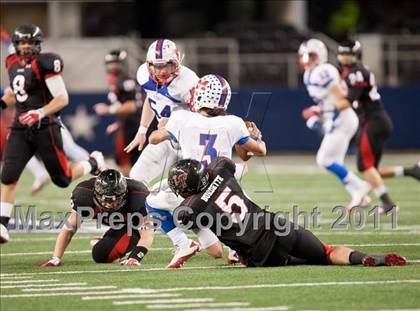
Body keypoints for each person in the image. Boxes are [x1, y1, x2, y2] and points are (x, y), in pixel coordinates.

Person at [169, 157, 407, 267]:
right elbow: (226, 164)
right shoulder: (222, 170)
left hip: (258, 254)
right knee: (326, 253)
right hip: (278, 228)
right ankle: (365, 257)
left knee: (302, 261)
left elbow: (211, 247)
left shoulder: (190, 209)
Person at [0, 24, 105, 244]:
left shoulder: (45, 63)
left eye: (30, 42)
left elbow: (62, 98)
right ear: (16, 45)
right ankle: (2, 225)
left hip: (45, 126)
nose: (26, 47)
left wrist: (39, 112)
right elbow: (14, 93)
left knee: (63, 179)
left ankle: (92, 163)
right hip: (20, 128)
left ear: (38, 45)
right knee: (8, 176)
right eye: (22, 43)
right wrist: (2, 102)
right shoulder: (11, 62)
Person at [147, 74, 267, 267]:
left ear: (200, 95)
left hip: (192, 190)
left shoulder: (182, 118)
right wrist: (257, 135)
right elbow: (259, 151)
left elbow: (153, 139)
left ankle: (182, 243)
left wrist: (162, 127)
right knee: (240, 217)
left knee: (150, 200)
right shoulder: (233, 122)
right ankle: (236, 250)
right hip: (223, 186)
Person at [124, 39, 200, 267]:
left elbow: (202, 117)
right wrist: (141, 130)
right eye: (156, 66)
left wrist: (174, 123)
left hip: (188, 144)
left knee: (202, 194)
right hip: (164, 140)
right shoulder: (144, 75)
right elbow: (151, 98)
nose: (161, 71)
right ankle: (137, 237)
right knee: (135, 181)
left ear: (177, 63)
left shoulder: (189, 82)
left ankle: (229, 243)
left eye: (166, 65)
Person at [337, 39, 420, 213]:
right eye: (342, 53)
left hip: (372, 122)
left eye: (348, 53)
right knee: (371, 170)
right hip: (376, 121)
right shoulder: (352, 71)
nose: (344, 57)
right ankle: (411, 171)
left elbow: (348, 101)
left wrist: (323, 108)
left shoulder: (356, 73)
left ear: (356, 55)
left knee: (365, 167)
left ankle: (388, 203)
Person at [298, 38, 370, 211]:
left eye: (311, 56)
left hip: (343, 117)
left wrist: (322, 115)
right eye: (305, 56)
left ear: (320, 56)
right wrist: (319, 114)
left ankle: (360, 187)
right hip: (337, 117)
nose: (307, 60)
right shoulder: (310, 74)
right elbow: (327, 102)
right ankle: (360, 196)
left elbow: (341, 100)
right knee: (335, 161)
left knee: (324, 160)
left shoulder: (323, 71)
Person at [38, 169, 153, 266]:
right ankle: (108, 238)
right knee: (101, 254)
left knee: (102, 255)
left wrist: (134, 258)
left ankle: (110, 240)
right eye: (105, 200)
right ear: (95, 193)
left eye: (114, 200)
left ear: (124, 194)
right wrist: (56, 258)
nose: (108, 204)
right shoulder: (84, 195)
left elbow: (147, 235)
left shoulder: (138, 197)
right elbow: (69, 229)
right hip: (116, 220)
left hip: (132, 224)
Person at [94, 49, 154, 176]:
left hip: (132, 124)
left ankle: (129, 190)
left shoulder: (124, 80)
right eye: (110, 64)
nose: (112, 67)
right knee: (128, 161)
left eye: (115, 63)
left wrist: (108, 109)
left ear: (122, 64)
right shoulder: (122, 80)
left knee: (125, 159)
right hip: (130, 123)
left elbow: (133, 106)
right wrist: (118, 123)